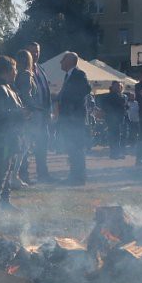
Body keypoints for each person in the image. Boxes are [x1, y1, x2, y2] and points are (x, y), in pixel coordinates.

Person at [0, 56, 25, 212]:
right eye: (14, 69)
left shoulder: (7, 86)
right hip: (1, 137)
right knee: (0, 169)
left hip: (9, 136)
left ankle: (5, 201)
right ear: (7, 71)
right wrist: (19, 114)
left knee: (7, 168)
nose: (16, 72)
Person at [56, 52, 91, 185]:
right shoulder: (68, 75)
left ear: (69, 61)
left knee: (76, 148)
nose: (60, 63)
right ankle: (74, 175)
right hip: (69, 119)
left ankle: (79, 177)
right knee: (72, 148)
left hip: (75, 119)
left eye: (62, 60)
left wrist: (71, 107)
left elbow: (86, 89)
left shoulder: (78, 74)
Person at [20, 42, 52, 183]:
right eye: (32, 52)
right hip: (30, 116)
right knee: (25, 148)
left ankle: (43, 174)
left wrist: (49, 111)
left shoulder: (41, 68)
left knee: (42, 146)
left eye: (37, 51)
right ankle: (23, 175)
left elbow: (46, 91)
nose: (35, 54)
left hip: (43, 115)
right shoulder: (22, 71)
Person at [12, 49, 37, 186]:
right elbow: (27, 95)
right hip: (25, 114)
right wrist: (33, 108)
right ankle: (14, 176)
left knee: (20, 147)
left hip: (18, 112)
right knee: (23, 147)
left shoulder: (17, 75)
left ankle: (14, 175)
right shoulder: (26, 75)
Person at [100, 81, 127, 159]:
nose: (118, 87)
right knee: (115, 136)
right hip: (113, 119)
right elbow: (106, 106)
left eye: (119, 86)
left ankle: (115, 153)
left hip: (118, 118)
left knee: (116, 136)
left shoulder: (118, 95)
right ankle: (115, 153)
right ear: (112, 87)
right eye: (117, 86)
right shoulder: (111, 96)